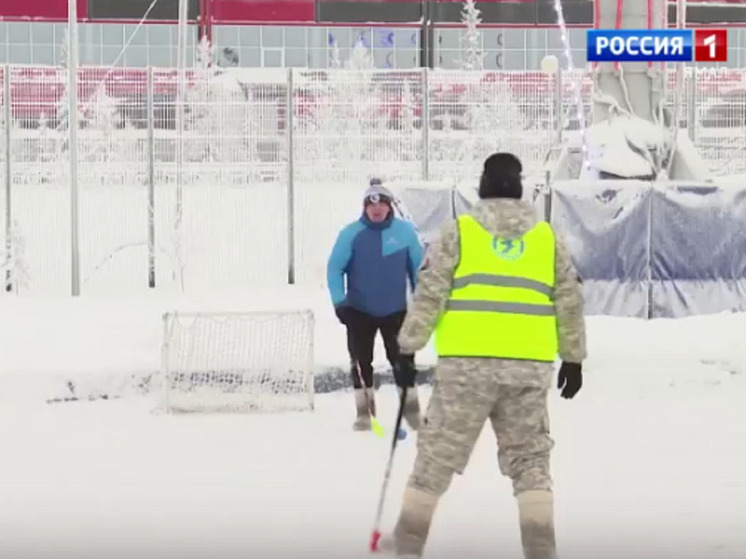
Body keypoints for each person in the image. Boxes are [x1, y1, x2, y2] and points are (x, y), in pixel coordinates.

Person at [379, 153, 586, 559]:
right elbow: (569, 299)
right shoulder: (547, 238)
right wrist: (573, 358)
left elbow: (431, 291)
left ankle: (407, 544)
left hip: (465, 369)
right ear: (521, 187)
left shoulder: (460, 232)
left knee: (436, 456)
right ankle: (541, 547)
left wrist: (408, 346)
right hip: (528, 369)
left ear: (483, 185)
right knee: (530, 460)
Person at [327, 178, 425, 432]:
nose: (377, 209)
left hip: (396, 311)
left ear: (390, 206)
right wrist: (340, 303)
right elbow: (334, 268)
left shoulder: (404, 232)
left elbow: (419, 269)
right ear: (364, 208)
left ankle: (412, 410)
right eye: (371, 205)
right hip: (359, 311)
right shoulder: (351, 234)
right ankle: (364, 412)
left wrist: (422, 300)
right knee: (361, 362)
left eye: (382, 203)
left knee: (404, 361)